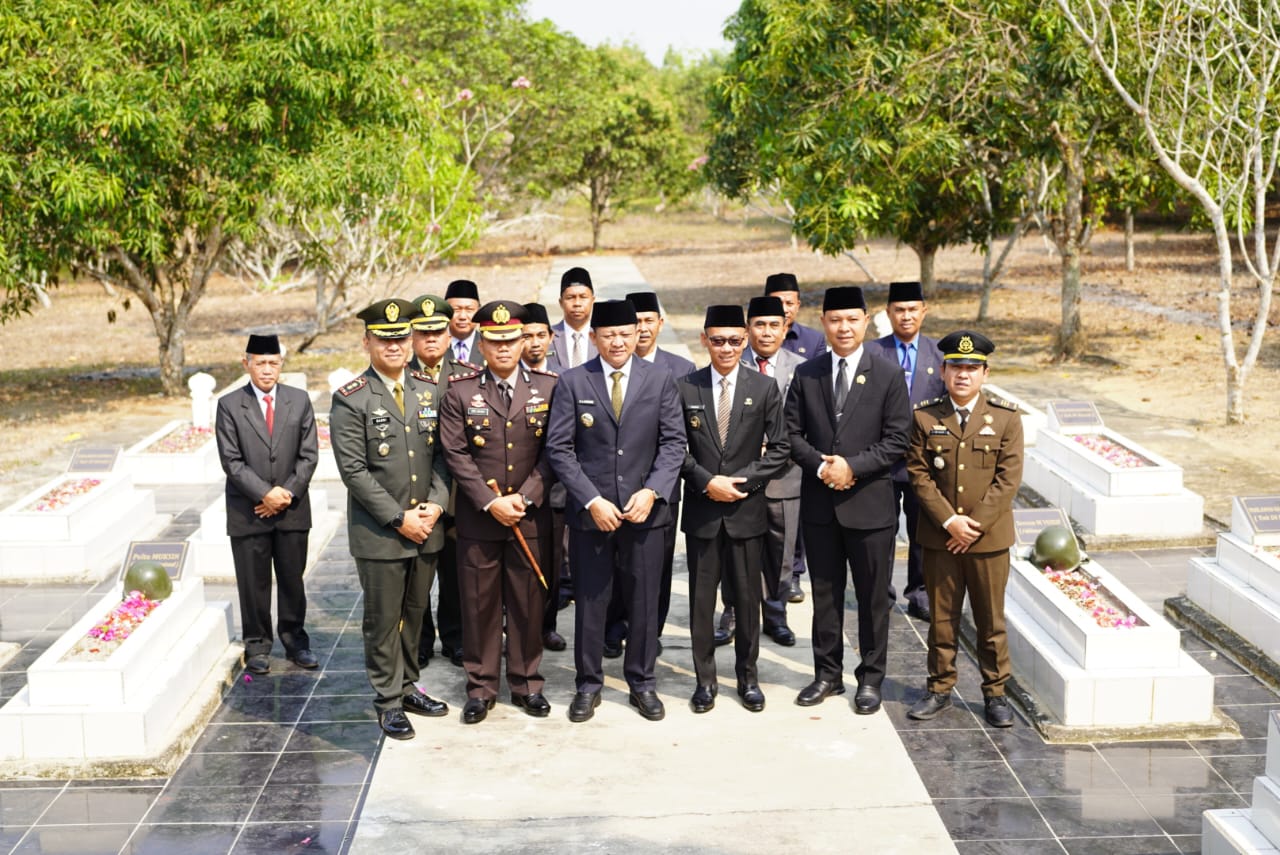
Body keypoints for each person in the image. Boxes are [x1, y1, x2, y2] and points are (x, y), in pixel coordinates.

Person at [546, 299, 685, 723]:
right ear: (593, 338)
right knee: (591, 601)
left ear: (638, 333)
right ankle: (588, 684)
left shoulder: (659, 378)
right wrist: (591, 500)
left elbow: (674, 443)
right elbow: (560, 448)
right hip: (594, 515)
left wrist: (653, 492)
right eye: (609, 335)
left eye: (626, 333)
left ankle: (642, 682)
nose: (619, 341)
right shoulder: (573, 382)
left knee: (644, 601)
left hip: (646, 514)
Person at [785, 286, 911, 715]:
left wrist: (851, 467)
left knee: (874, 597)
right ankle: (827, 674)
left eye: (852, 319)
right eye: (835, 320)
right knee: (825, 594)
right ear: (824, 322)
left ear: (865, 321)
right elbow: (791, 436)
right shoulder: (808, 374)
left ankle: (871, 678)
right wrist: (823, 467)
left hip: (871, 507)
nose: (843, 327)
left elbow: (898, 439)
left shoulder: (888, 372)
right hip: (821, 507)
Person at [329, 298, 450, 739]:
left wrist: (435, 506)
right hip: (382, 532)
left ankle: (408, 684)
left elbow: (443, 457)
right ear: (367, 343)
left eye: (401, 338)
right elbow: (354, 472)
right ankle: (387, 699)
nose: (395, 346)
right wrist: (400, 519)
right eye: (385, 339)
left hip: (426, 525)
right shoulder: (352, 399)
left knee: (416, 614)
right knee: (383, 619)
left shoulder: (427, 388)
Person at [440, 300, 558, 724]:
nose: (504, 348)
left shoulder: (548, 387)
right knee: (479, 604)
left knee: (528, 604)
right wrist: (491, 501)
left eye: (511, 339)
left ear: (524, 340)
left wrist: (523, 498)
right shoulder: (461, 390)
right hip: (479, 518)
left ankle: (527, 683)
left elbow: (554, 453)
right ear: (481, 343)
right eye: (494, 341)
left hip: (530, 516)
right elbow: (454, 453)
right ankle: (481, 687)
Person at [905, 331, 1023, 728]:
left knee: (991, 621)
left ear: (985, 373)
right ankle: (940, 688)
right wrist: (950, 521)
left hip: (988, 541)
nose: (963, 375)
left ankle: (995, 693)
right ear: (942, 370)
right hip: (940, 539)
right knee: (941, 619)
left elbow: (1007, 481)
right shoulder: (924, 416)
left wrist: (973, 526)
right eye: (956, 366)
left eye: (972, 368)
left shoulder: (1006, 418)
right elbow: (918, 474)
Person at [678, 305, 789, 713]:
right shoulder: (685, 387)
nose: (726, 348)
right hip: (704, 513)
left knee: (746, 601)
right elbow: (675, 448)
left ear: (745, 340)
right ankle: (704, 681)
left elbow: (780, 448)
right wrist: (708, 481)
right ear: (704, 339)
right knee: (701, 604)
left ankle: (748, 677)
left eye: (735, 340)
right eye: (718, 340)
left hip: (746, 510)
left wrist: (742, 482)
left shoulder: (763, 388)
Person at [215, 334, 319, 676]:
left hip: (291, 509)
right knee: (253, 581)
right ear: (246, 364)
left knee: (292, 578)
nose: (267, 370)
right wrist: (265, 495)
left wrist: (284, 495)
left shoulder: (299, 400)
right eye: (260, 363)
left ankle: (295, 641)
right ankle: (257, 644)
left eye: (273, 362)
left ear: (281, 365)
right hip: (249, 511)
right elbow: (231, 461)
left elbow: (308, 455)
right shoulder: (230, 405)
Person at [616, 290, 695, 649]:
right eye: (637, 322)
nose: (643, 328)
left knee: (657, 565)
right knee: (617, 563)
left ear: (660, 324)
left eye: (650, 320)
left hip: (663, 486)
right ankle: (616, 626)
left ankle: (652, 630)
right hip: (616, 484)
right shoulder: (607, 362)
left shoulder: (681, 370)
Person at [868, 281, 946, 622]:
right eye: (899, 310)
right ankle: (879, 592)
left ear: (924, 312)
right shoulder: (871, 353)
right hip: (882, 459)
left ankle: (920, 592)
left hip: (922, 460)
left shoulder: (940, 354)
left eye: (913, 309)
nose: (906, 316)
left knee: (921, 531)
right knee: (881, 530)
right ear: (888, 314)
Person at [409, 293, 476, 669]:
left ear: (449, 334)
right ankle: (420, 639)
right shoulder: (400, 376)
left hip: (458, 497)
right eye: (423, 332)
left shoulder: (468, 376)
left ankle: (455, 638)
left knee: (456, 574)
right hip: (416, 496)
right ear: (412, 337)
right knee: (419, 574)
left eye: (438, 331)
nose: (431, 339)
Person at [521, 301, 568, 651]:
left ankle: (546, 625)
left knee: (549, 565)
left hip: (552, 492)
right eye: (526, 336)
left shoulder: (563, 382)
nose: (534, 342)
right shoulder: (496, 376)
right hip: (506, 492)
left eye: (540, 335)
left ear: (552, 338)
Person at [764, 272, 826, 358]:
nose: (784, 310)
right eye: (778, 303)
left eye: (789, 303)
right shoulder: (751, 339)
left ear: (798, 305)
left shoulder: (814, 340)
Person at [553, 267, 597, 370]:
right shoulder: (548, 336)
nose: (577, 303)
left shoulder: (603, 336)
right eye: (570, 297)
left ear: (592, 300)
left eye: (583, 297)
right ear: (561, 302)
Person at [445, 279, 481, 365]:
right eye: (456, 310)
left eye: (469, 310)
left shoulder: (489, 345)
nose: (462, 317)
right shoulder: (435, 344)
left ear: (478, 311)